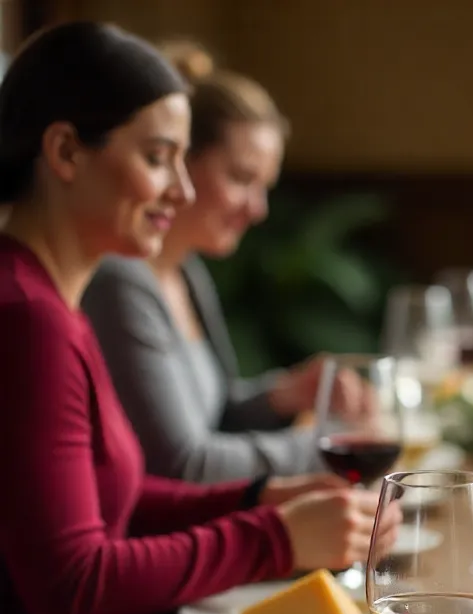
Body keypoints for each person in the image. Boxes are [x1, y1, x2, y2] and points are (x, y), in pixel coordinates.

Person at [0, 23, 397, 614]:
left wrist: (255, 495)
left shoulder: (49, 300)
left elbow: (110, 498)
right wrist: (272, 538)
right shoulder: (27, 318)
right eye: (158, 158)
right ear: (65, 151)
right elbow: (72, 584)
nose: (181, 191)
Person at [81, 42, 352, 483]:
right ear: (180, 161)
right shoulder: (120, 282)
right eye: (241, 178)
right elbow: (184, 464)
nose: (258, 209)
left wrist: (284, 395)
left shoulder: (186, 270)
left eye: (265, 187)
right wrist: (330, 447)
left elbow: (217, 415)